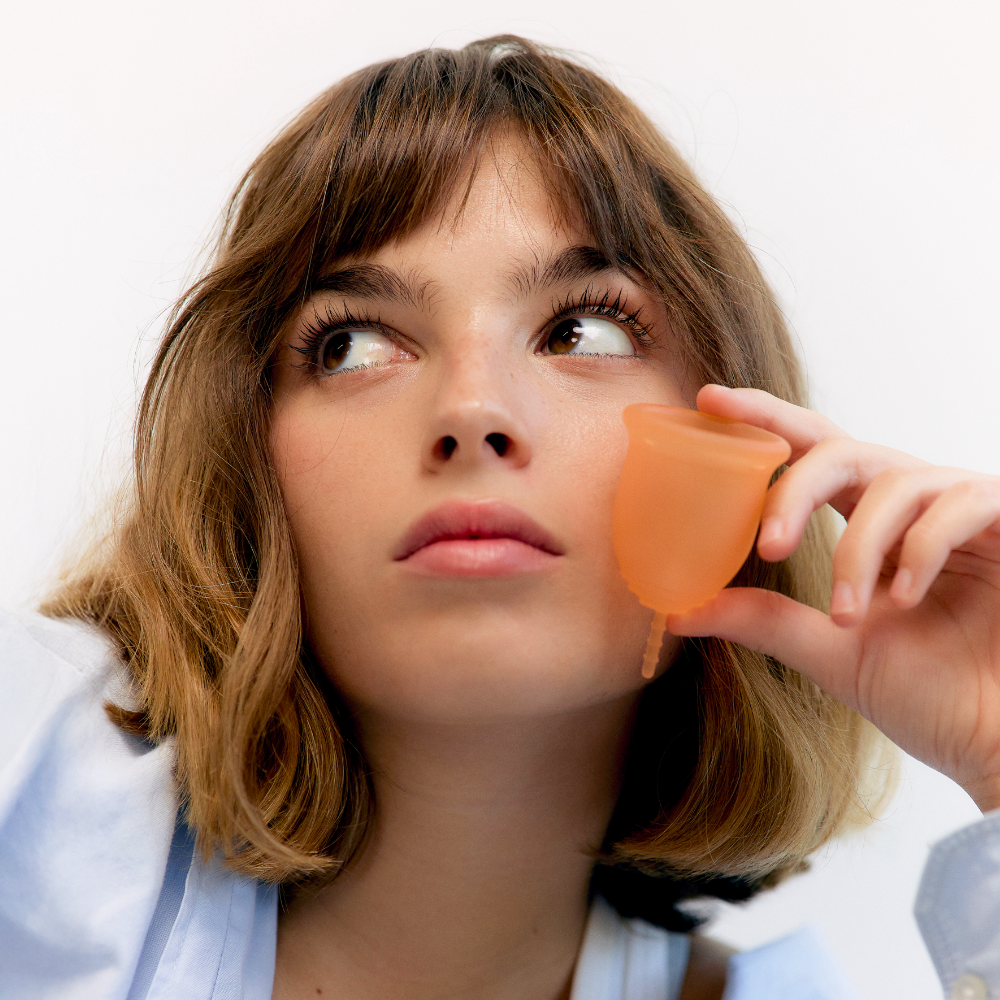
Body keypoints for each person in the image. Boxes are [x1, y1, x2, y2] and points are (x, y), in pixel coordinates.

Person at [1, 35, 997, 1000]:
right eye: (350, 343)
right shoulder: (26, 762)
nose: (471, 410)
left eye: (582, 329)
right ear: (248, 454)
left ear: (740, 449)